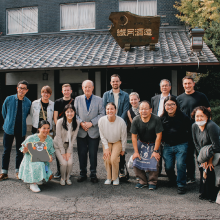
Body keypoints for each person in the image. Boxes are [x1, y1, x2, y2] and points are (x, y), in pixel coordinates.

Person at [177, 76, 211, 184]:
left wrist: (207, 128)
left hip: (200, 130)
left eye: (189, 83)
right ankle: (191, 176)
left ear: (193, 84)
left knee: (201, 154)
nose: (187, 86)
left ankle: (203, 177)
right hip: (186, 132)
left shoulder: (201, 96)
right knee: (188, 155)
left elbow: (208, 113)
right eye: (185, 84)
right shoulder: (179, 98)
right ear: (183, 85)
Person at [74, 80, 105, 183]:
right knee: (81, 153)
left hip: (94, 131)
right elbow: (74, 114)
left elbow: (102, 113)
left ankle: (93, 174)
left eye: (89, 87)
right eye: (85, 87)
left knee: (93, 154)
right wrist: (82, 123)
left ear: (93, 88)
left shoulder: (99, 100)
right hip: (81, 131)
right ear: (82, 88)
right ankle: (82, 173)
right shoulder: (77, 99)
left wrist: (91, 123)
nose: (87, 89)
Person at [0, 80, 31, 181]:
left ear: (27, 90)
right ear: (17, 88)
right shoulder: (9, 99)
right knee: (6, 150)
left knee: (19, 151)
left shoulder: (28, 102)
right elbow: (4, 112)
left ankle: (18, 171)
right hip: (8, 128)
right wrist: (8, 122)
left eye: (24, 88)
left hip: (21, 129)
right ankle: (4, 172)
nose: (21, 90)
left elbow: (26, 114)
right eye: (20, 88)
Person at [160, 96, 191, 194]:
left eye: (172, 104)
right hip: (167, 145)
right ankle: (173, 180)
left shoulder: (184, 117)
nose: (170, 106)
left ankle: (181, 184)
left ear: (176, 105)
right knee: (168, 167)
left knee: (181, 164)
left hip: (181, 145)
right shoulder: (162, 119)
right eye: (167, 104)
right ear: (164, 106)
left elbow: (189, 131)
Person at [131, 101, 163, 190]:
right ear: (139, 110)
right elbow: (133, 136)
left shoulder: (156, 119)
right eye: (141, 109)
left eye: (146, 109)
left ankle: (152, 181)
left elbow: (159, 135)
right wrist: (136, 152)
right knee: (136, 160)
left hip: (153, 143)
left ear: (150, 110)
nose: (143, 111)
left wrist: (156, 151)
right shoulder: (136, 119)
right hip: (141, 142)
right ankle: (142, 180)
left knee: (154, 159)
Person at [103, 74, 129, 178]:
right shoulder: (106, 95)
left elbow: (126, 109)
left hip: (121, 124)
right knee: (110, 148)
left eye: (117, 81)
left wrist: (119, 121)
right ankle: (110, 171)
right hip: (109, 124)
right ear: (110, 83)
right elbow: (105, 109)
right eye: (113, 81)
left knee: (121, 147)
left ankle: (121, 168)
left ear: (120, 82)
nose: (115, 83)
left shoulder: (125, 95)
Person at [191, 106, 220, 202]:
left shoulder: (211, 126)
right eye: (197, 116)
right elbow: (196, 143)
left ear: (207, 117)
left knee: (211, 171)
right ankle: (205, 193)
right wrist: (203, 158)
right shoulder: (194, 126)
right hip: (203, 153)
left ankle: (213, 195)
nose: (199, 118)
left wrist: (209, 160)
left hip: (215, 153)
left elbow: (215, 146)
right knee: (202, 171)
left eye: (201, 116)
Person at [18, 120, 55, 193]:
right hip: (31, 160)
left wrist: (50, 157)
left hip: (43, 161)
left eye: (48, 128)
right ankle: (33, 183)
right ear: (39, 129)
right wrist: (25, 150)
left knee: (50, 176)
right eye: (44, 128)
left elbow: (50, 152)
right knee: (39, 164)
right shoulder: (31, 138)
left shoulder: (50, 139)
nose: (46, 130)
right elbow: (22, 149)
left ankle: (38, 179)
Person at [151, 79, 176, 175]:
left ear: (170, 87)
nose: (164, 87)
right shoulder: (154, 98)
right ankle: (158, 170)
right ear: (160, 87)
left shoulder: (175, 98)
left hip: (169, 126)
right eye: (162, 86)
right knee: (157, 147)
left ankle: (169, 170)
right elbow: (153, 112)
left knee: (168, 148)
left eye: (166, 85)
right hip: (157, 125)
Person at [98, 102, 127, 185]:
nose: (110, 110)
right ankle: (109, 177)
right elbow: (102, 136)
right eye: (108, 109)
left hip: (117, 141)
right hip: (107, 141)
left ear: (115, 110)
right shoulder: (101, 120)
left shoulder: (121, 122)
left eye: (112, 109)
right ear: (105, 110)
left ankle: (115, 177)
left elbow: (124, 137)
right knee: (107, 158)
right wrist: (106, 148)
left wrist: (123, 149)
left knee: (114, 159)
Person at [54, 104, 80, 186]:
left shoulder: (77, 122)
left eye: (71, 111)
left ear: (74, 112)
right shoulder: (60, 122)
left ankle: (67, 178)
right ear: (65, 113)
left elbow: (74, 137)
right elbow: (58, 137)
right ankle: (62, 178)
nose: (70, 113)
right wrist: (62, 151)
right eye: (67, 111)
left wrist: (68, 151)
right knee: (64, 163)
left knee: (70, 163)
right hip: (58, 146)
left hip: (68, 145)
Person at [53, 84, 73, 179]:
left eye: (68, 90)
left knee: (68, 150)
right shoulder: (57, 102)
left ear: (71, 91)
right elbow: (55, 116)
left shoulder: (74, 101)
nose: (66, 92)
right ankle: (59, 170)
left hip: (70, 129)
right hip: (59, 129)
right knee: (59, 149)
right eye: (64, 90)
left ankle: (67, 170)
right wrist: (59, 128)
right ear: (62, 91)